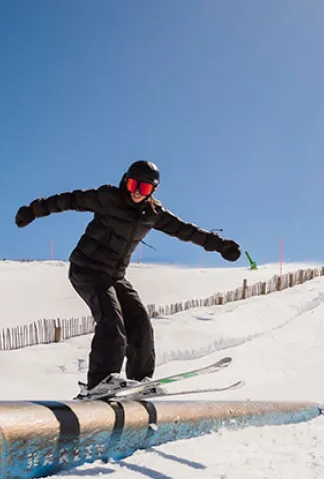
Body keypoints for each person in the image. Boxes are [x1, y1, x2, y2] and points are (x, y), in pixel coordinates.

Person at [14, 160, 242, 399]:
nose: (137, 192)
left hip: (115, 276)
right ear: (125, 181)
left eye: (144, 188)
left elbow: (186, 231)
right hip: (87, 269)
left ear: (152, 190)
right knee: (111, 320)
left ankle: (140, 381)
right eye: (134, 185)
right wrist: (34, 210)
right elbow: (69, 200)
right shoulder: (107, 198)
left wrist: (220, 245)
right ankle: (100, 381)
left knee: (141, 323)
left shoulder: (153, 214)